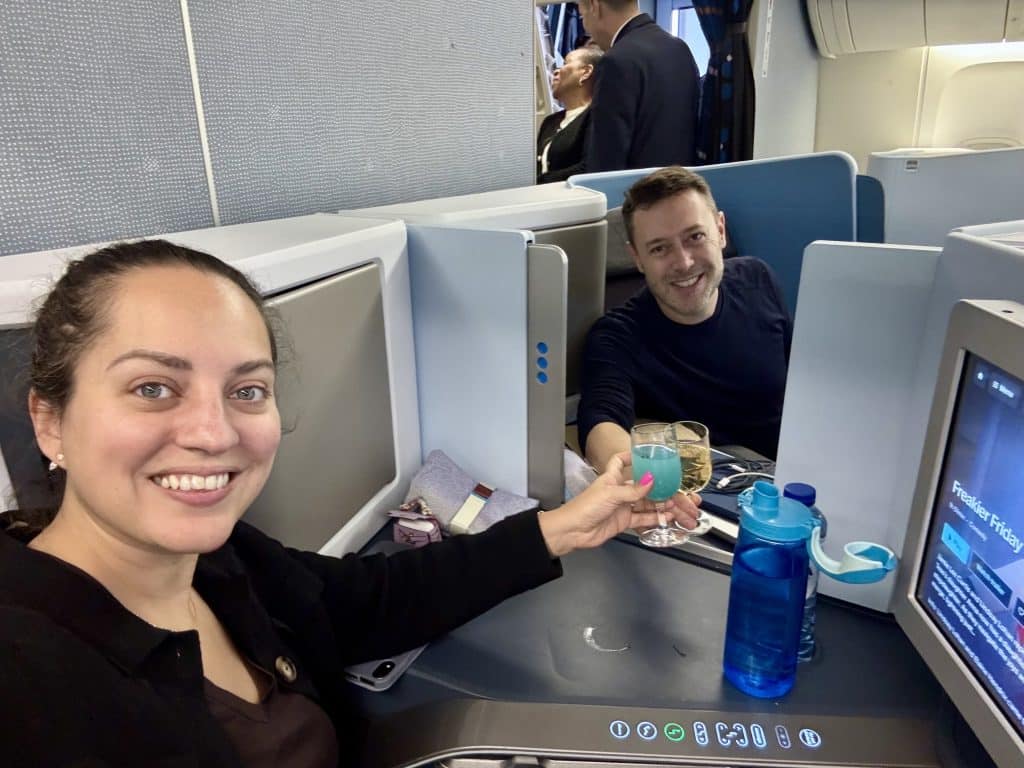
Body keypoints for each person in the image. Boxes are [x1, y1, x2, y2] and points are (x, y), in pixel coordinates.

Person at [0, 239, 699, 766]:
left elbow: (361, 602)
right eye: (153, 388)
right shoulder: (26, 678)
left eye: (246, 391)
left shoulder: (222, 561)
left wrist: (564, 527)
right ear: (50, 422)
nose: (214, 433)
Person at [578, 167, 792, 472]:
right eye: (659, 248)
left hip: (798, 474)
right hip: (709, 489)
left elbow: (803, 383)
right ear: (637, 258)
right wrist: (651, 479)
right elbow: (602, 429)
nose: (683, 262)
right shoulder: (617, 336)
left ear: (720, 231)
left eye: (695, 237)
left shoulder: (758, 279)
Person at [576, 0, 700, 172]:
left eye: (582, 16)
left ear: (594, 6)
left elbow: (606, 162)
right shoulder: (680, 49)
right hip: (682, 183)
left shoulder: (615, 61)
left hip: (638, 187)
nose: (586, 28)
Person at [537, 46, 603, 183]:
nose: (556, 71)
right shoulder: (550, 121)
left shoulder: (597, 117)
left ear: (586, 72)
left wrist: (538, 182)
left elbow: (589, 168)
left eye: (565, 63)